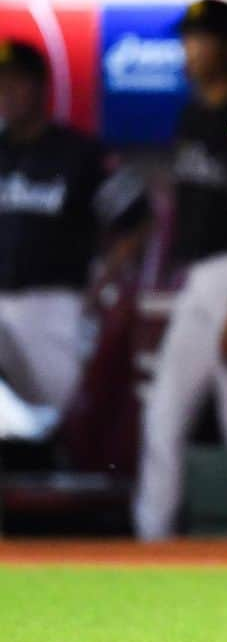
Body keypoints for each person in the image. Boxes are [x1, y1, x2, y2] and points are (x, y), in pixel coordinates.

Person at [132, 0, 227, 541]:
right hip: (198, 277)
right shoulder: (190, 116)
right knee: (163, 413)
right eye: (188, 39)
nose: (190, 50)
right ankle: (151, 544)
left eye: (202, 39)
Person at [0, 40, 107, 439]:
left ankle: (72, 488)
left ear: (40, 86)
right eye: (1, 83)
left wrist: (104, 279)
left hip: (54, 303)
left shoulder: (77, 152)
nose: (7, 92)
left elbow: (136, 220)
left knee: (64, 415)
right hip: (3, 298)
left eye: (16, 82)